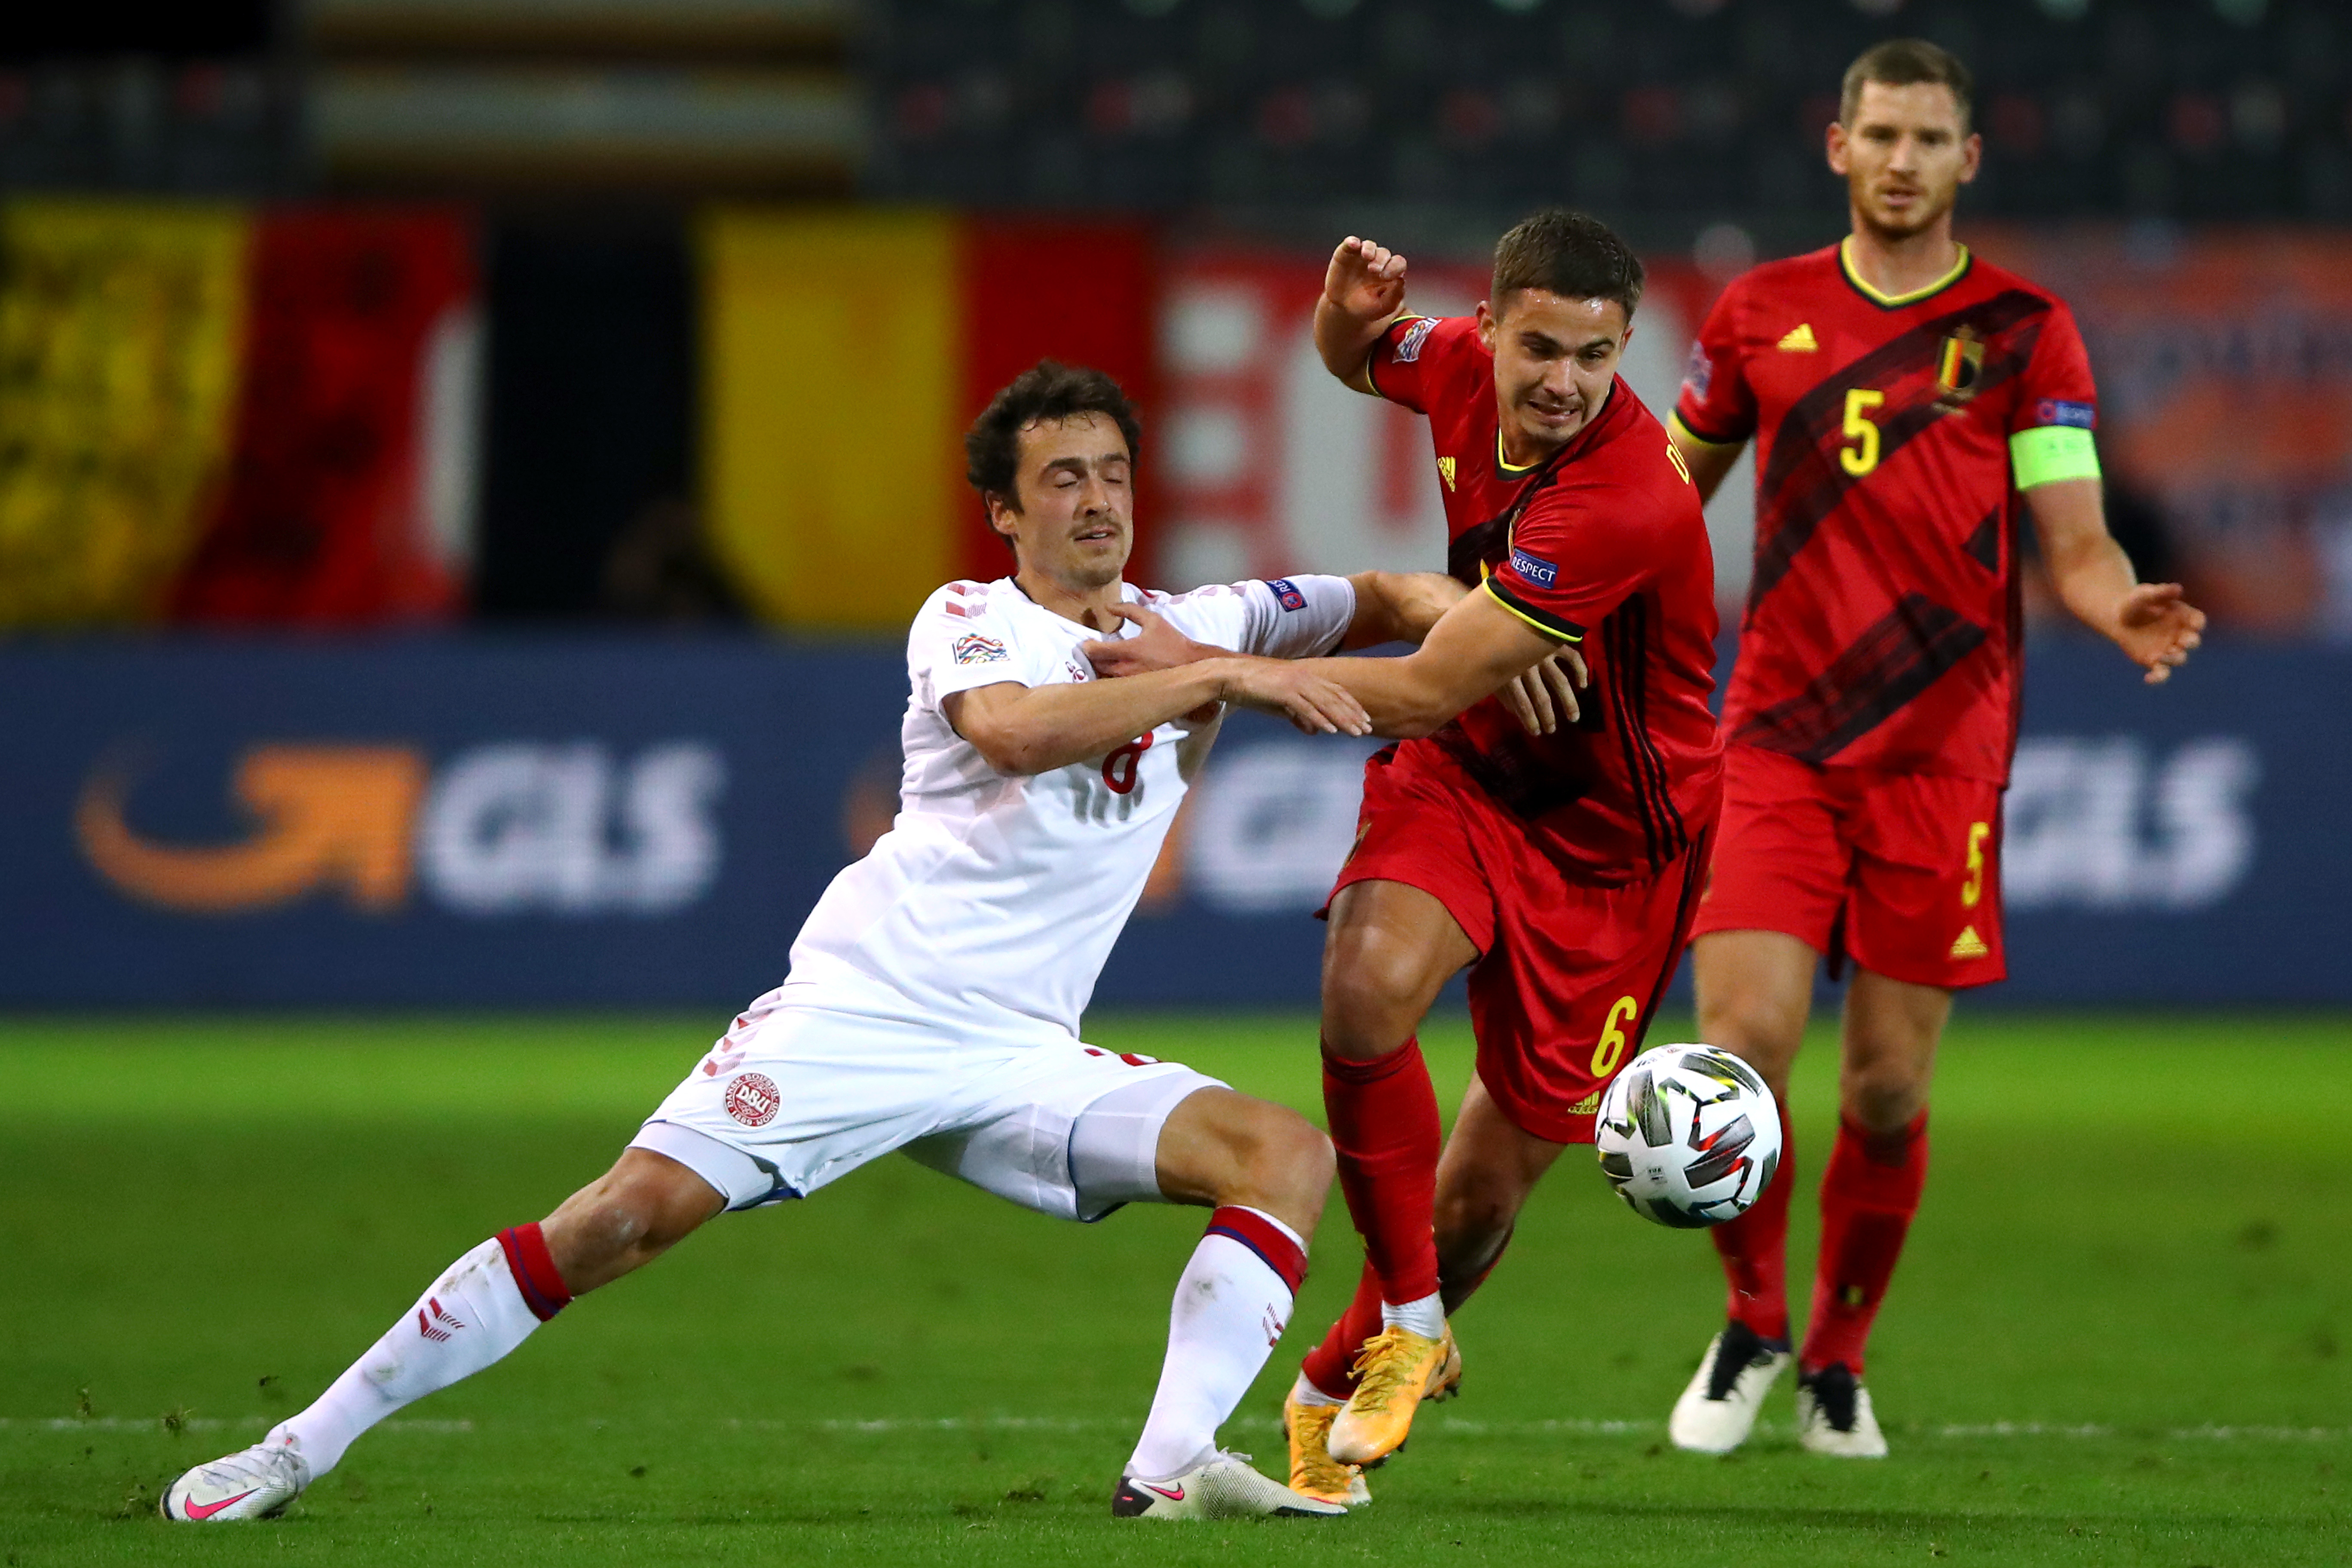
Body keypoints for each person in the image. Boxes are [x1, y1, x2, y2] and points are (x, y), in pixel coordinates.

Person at [158, 361, 1516, 1526]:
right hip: (865, 1013)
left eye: (1112, 472)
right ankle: (299, 1444)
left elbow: (1390, 597)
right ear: (1006, 512)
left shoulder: (1207, 617)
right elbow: (1013, 732)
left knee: (1280, 1154)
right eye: (1060, 480)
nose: (1096, 499)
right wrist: (1223, 679)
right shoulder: (973, 619)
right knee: (618, 1222)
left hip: (1015, 1052)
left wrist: (1521, 622)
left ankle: (1166, 1473)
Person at [1093, 209, 1723, 1505]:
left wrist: (1210, 671)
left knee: (1485, 1195)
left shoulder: (1625, 495)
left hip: (1613, 846)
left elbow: (1428, 688)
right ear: (1489, 329)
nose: (1563, 382)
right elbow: (1350, 356)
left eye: (1595, 359)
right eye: (1540, 347)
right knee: (1365, 987)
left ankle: (1334, 1372)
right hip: (1471, 776)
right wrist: (1341, 306)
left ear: (1624, 353)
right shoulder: (1453, 366)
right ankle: (1417, 1330)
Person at [1662, 40, 2206, 1458]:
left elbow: (2072, 538)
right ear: (1836, 147)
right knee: (1741, 1052)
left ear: (1972, 158)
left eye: (1930, 138)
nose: (1903, 160)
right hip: (1776, 737)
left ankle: (1839, 1356)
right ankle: (1754, 1319)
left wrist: (2118, 603)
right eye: (1881, 134)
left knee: (1888, 1091)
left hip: (1941, 754)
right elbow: (1664, 504)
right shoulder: (1755, 315)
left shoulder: (2029, 331)